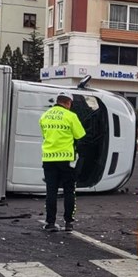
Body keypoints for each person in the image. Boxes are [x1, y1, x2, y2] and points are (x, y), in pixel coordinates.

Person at [39, 93, 86, 232]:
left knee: (51, 192)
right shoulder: (70, 116)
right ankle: (68, 223)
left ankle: (50, 223)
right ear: (68, 103)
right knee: (69, 191)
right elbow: (80, 135)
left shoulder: (45, 116)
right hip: (66, 160)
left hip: (48, 158)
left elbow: (44, 135)